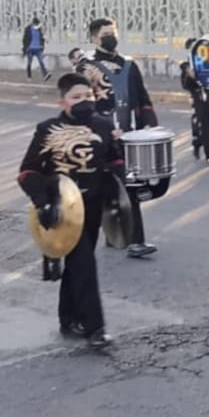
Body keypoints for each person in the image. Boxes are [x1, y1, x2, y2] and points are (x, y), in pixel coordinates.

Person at [16, 74, 123, 349]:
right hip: (62, 210)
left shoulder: (103, 124)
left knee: (77, 265)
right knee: (84, 263)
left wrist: (119, 158)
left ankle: (68, 318)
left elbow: (115, 162)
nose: (84, 101)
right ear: (62, 102)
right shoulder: (47, 129)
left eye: (88, 96)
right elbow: (27, 172)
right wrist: (43, 202)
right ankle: (94, 328)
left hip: (93, 208)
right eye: (77, 97)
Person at [79, 18, 159, 259]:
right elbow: (82, 105)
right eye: (105, 33)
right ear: (94, 38)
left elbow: (142, 99)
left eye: (113, 32)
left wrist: (151, 128)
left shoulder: (129, 64)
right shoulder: (87, 68)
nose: (111, 36)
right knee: (103, 188)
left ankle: (133, 240)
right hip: (101, 138)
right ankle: (115, 235)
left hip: (130, 135)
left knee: (130, 185)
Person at [180, 55, 209, 164]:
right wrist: (189, 75)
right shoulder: (188, 67)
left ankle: (198, 142)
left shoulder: (208, 61)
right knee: (205, 127)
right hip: (199, 102)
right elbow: (186, 85)